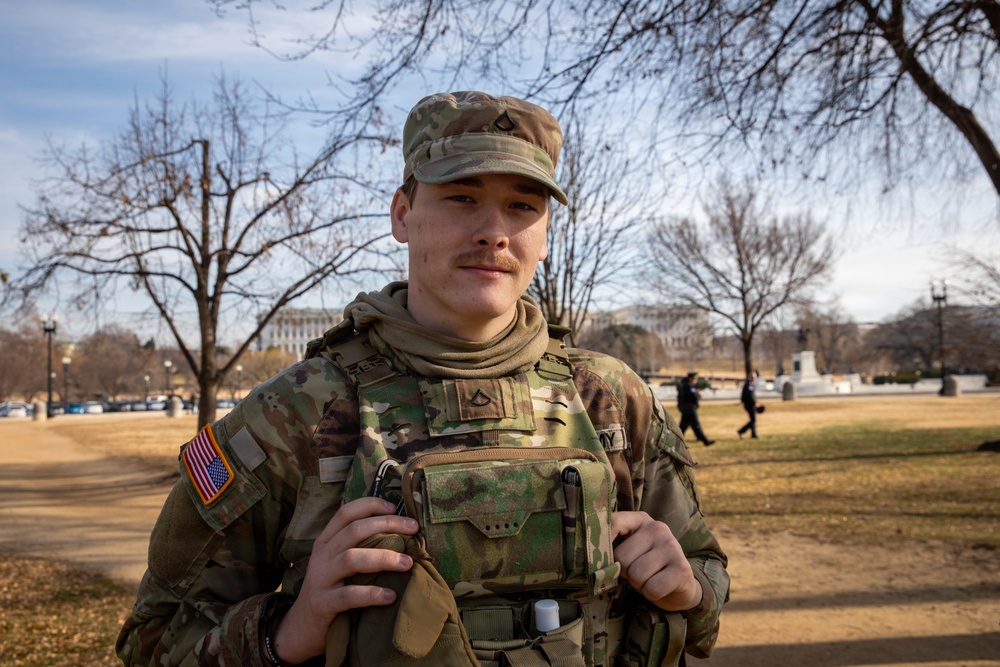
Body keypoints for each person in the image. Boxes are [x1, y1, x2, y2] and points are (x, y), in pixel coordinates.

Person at [117, 91, 729, 667]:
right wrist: (290, 629)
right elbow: (153, 638)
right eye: (461, 196)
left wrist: (688, 590)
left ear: (544, 235)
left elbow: (705, 583)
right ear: (403, 214)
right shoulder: (294, 414)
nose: (493, 230)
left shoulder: (612, 400)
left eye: (522, 206)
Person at [676, 371, 715, 446]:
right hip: (690, 409)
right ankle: (705, 441)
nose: (696, 381)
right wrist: (698, 394)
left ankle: (677, 441)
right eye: (695, 379)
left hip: (686, 409)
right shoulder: (688, 386)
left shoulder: (684, 385)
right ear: (691, 378)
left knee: (683, 427)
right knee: (696, 425)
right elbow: (693, 397)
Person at [737, 372, 760, 439]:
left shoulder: (750, 384)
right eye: (753, 377)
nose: (754, 378)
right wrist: (754, 404)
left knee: (753, 419)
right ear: (749, 377)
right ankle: (741, 431)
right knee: (753, 419)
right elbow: (750, 396)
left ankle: (754, 434)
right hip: (749, 405)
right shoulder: (748, 385)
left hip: (750, 404)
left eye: (755, 377)